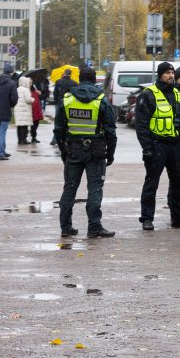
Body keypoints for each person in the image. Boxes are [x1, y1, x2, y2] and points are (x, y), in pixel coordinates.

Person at [54, 66, 117, 238]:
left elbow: (58, 129)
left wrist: (63, 150)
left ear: (80, 79)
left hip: (73, 149)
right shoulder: (101, 100)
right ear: (94, 79)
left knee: (69, 189)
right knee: (95, 188)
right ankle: (94, 227)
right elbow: (111, 131)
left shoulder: (67, 99)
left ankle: (66, 227)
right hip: (95, 151)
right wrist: (110, 153)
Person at [135, 61, 180, 231]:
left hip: (176, 145)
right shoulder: (149, 94)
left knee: (178, 183)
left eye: (172, 73)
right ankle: (147, 218)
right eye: (167, 73)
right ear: (160, 75)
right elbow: (141, 125)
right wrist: (147, 148)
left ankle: (178, 217)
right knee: (151, 183)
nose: (171, 76)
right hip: (157, 145)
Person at [0, 63, 18, 160]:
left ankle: (2, 151)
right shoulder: (12, 83)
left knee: (1, 132)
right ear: (11, 72)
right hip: (5, 109)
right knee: (2, 133)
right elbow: (14, 98)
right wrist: (10, 105)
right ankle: (0, 154)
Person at [51, 69, 77, 146]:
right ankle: (67, 138)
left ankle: (55, 139)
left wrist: (56, 102)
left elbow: (55, 93)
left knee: (58, 122)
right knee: (69, 121)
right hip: (70, 105)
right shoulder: (74, 83)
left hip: (59, 104)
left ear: (64, 73)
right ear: (70, 74)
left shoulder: (58, 82)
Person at [14, 76, 35, 145]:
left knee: (19, 126)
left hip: (18, 109)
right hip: (25, 110)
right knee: (24, 126)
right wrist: (33, 99)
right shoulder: (26, 90)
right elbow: (28, 100)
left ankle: (19, 140)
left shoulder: (17, 89)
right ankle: (24, 140)